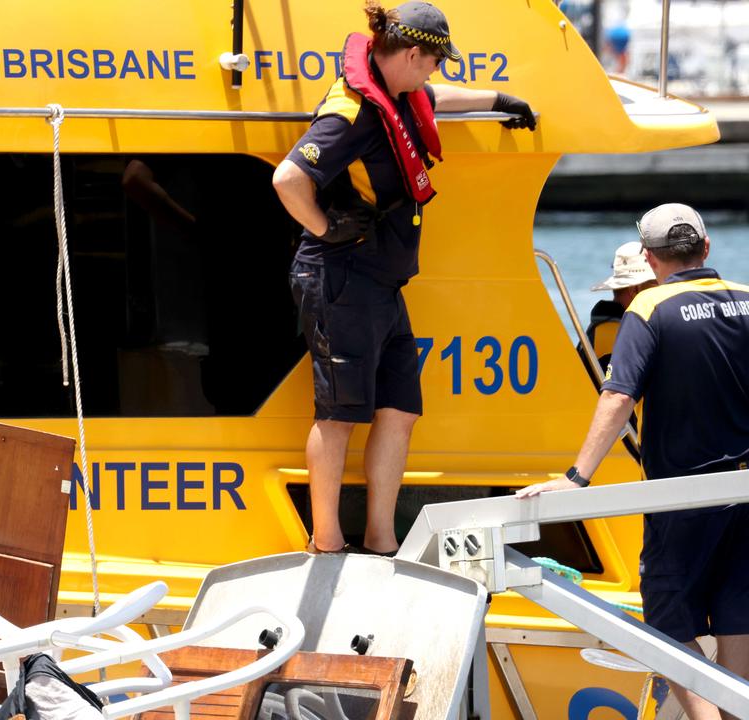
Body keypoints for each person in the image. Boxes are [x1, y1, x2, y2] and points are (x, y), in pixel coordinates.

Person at [272, 0, 537, 555]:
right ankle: (326, 543)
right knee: (340, 414)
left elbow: (435, 99)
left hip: (381, 283)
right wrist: (326, 227)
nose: (437, 73)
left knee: (399, 409)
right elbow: (288, 178)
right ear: (412, 54)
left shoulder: (398, 92)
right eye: (435, 61)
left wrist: (501, 101)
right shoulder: (351, 112)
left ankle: (382, 539)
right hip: (342, 275)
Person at [518, 204, 749, 720]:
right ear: (706, 248)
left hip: (681, 496)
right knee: (738, 614)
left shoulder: (649, 309)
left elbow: (618, 396)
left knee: (665, 619)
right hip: (744, 490)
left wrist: (577, 478)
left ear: (649, 257)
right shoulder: (746, 299)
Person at [584, 240, 657, 370]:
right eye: (655, 285)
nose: (662, 292)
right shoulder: (620, 338)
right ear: (634, 290)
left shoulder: (604, 329)